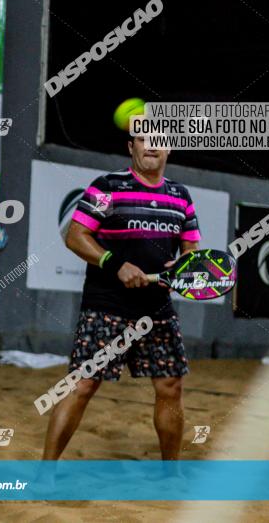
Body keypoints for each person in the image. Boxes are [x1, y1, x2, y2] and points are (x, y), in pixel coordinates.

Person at [42, 134, 200, 462]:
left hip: (157, 309)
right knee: (83, 385)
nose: (151, 146)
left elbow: (190, 249)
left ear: (169, 148)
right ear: (131, 147)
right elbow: (75, 235)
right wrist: (115, 264)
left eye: (159, 140)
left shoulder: (180, 196)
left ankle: (170, 473)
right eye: (143, 139)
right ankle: (46, 472)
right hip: (106, 307)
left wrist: (182, 266)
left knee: (171, 387)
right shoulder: (107, 188)